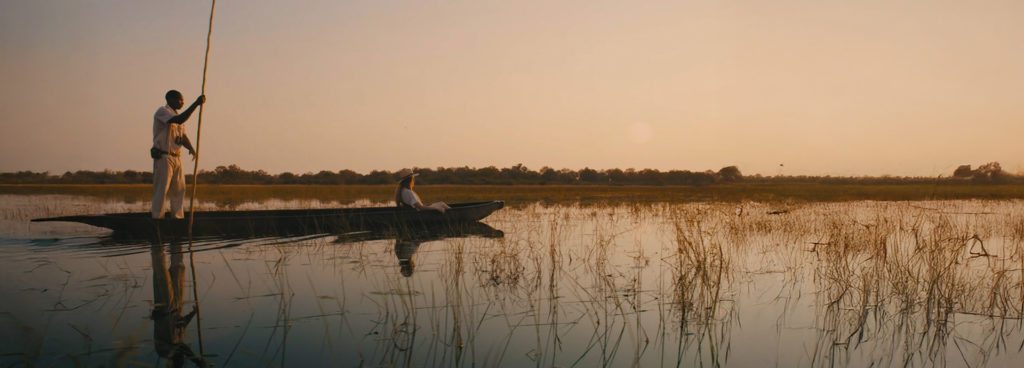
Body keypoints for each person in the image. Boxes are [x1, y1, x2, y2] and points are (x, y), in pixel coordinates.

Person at [152, 90, 205, 219]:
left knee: (179, 190)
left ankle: (177, 218)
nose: (182, 103)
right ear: (170, 99)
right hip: (164, 156)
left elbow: (183, 135)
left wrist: (191, 148)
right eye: (180, 100)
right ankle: (158, 218)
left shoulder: (176, 115)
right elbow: (179, 120)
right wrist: (196, 104)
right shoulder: (163, 111)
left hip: (176, 157)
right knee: (162, 190)